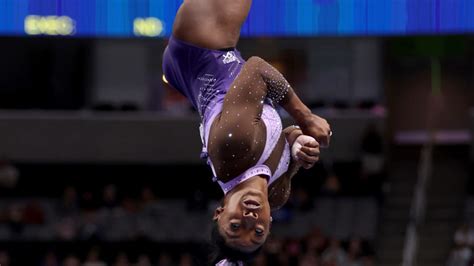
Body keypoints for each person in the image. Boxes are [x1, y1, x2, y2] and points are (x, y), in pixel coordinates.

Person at [162, 0, 331, 265]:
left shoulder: (233, 149)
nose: (250, 220)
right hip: (201, 74)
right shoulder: (276, 195)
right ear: (270, 225)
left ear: (219, 213)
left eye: (235, 227)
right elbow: (280, 140)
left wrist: (305, 117)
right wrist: (299, 146)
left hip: (201, 46)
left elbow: (257, 69)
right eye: (258, 232)